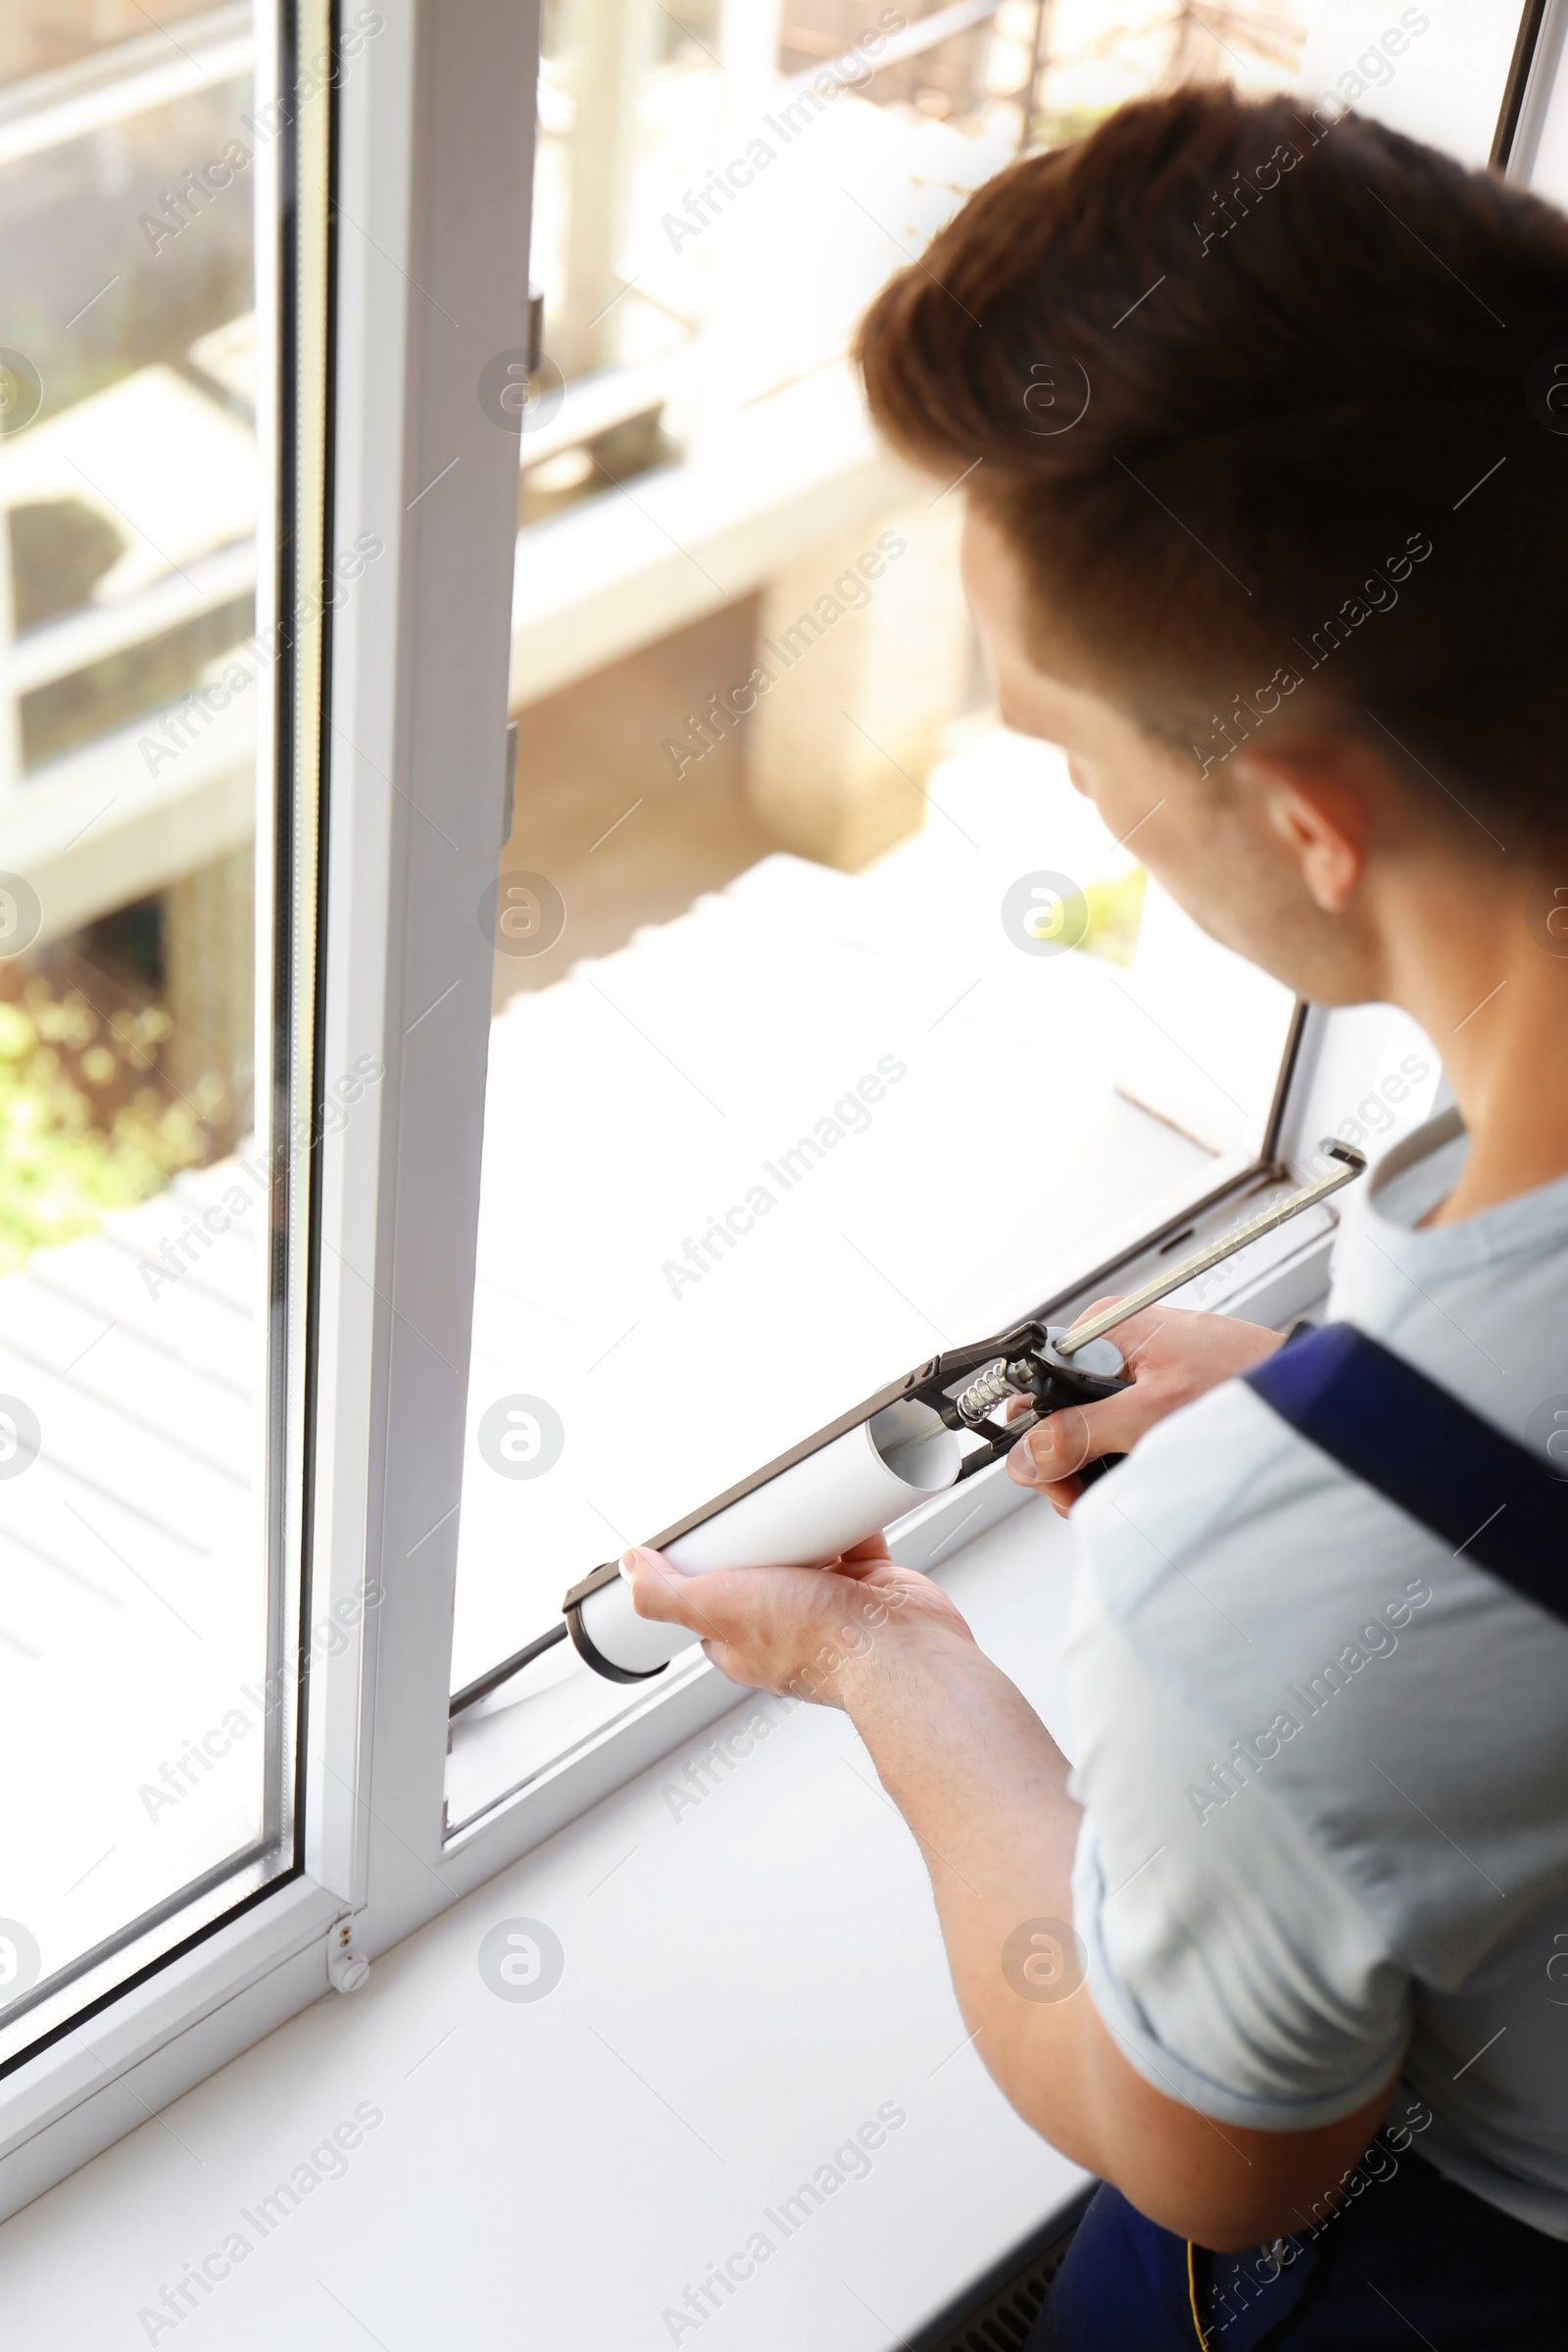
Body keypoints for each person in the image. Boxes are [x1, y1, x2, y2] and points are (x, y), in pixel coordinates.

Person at [622, 84, 1568, 2347]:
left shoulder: (1270, 1585)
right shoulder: (1383, 1477)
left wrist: (894, 1665)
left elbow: (1213, 2151)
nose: (1069, 796)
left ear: (1296, 811)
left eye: (1068, 744)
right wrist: (1387, 1442)